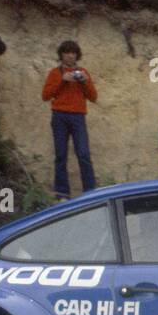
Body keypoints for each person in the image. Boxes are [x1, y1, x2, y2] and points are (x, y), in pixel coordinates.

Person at [42, 40, 98, 199]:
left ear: (77, 55)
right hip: (59, 116)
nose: (70, 56)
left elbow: (93, 97)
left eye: (73, 53)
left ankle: (90, 191)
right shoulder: (55, 73)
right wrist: (63, 80)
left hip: (78, 116)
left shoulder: (83, 72)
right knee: (60, 155)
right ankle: (61, 193)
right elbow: (45, 96)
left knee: (83, 154)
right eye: (67, 52)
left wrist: (84, 82)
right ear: (61, 55)